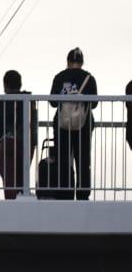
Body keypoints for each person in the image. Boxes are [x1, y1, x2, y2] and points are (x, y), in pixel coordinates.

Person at [49, 47, 97, 200]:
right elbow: (94, 104)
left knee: (63, 159)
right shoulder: (89, 79)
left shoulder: (59, 77)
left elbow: (52, 102)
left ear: (68, 61)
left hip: (63, 125)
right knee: (83, 159)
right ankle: (83, 194)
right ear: (82, 62)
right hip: (84, 125)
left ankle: (65, 193)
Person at [0, 69, 38, 200]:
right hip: (27, 145)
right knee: (23, 180)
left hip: (8, 144)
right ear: (20, 84)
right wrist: (33, 143)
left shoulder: (1, 104)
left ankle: (11, 207)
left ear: (5, 85)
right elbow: (33, 127)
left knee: (10, 182)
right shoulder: (29, 102)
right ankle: (22, 205)